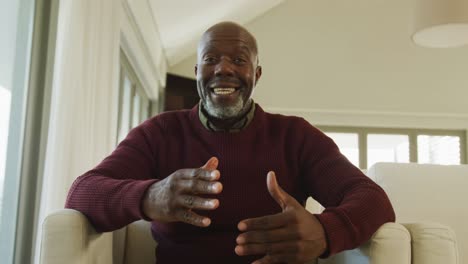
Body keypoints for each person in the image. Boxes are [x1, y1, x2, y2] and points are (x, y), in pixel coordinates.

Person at [66, 21, 395, 264]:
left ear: (257, 74)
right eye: (210, 60)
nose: (223, 68)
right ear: (197, 72)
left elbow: (373, 199)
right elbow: (83, 192)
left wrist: (324, 232)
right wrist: (150, 196)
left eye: (239, 60)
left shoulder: (296, 136)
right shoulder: (160, 132)